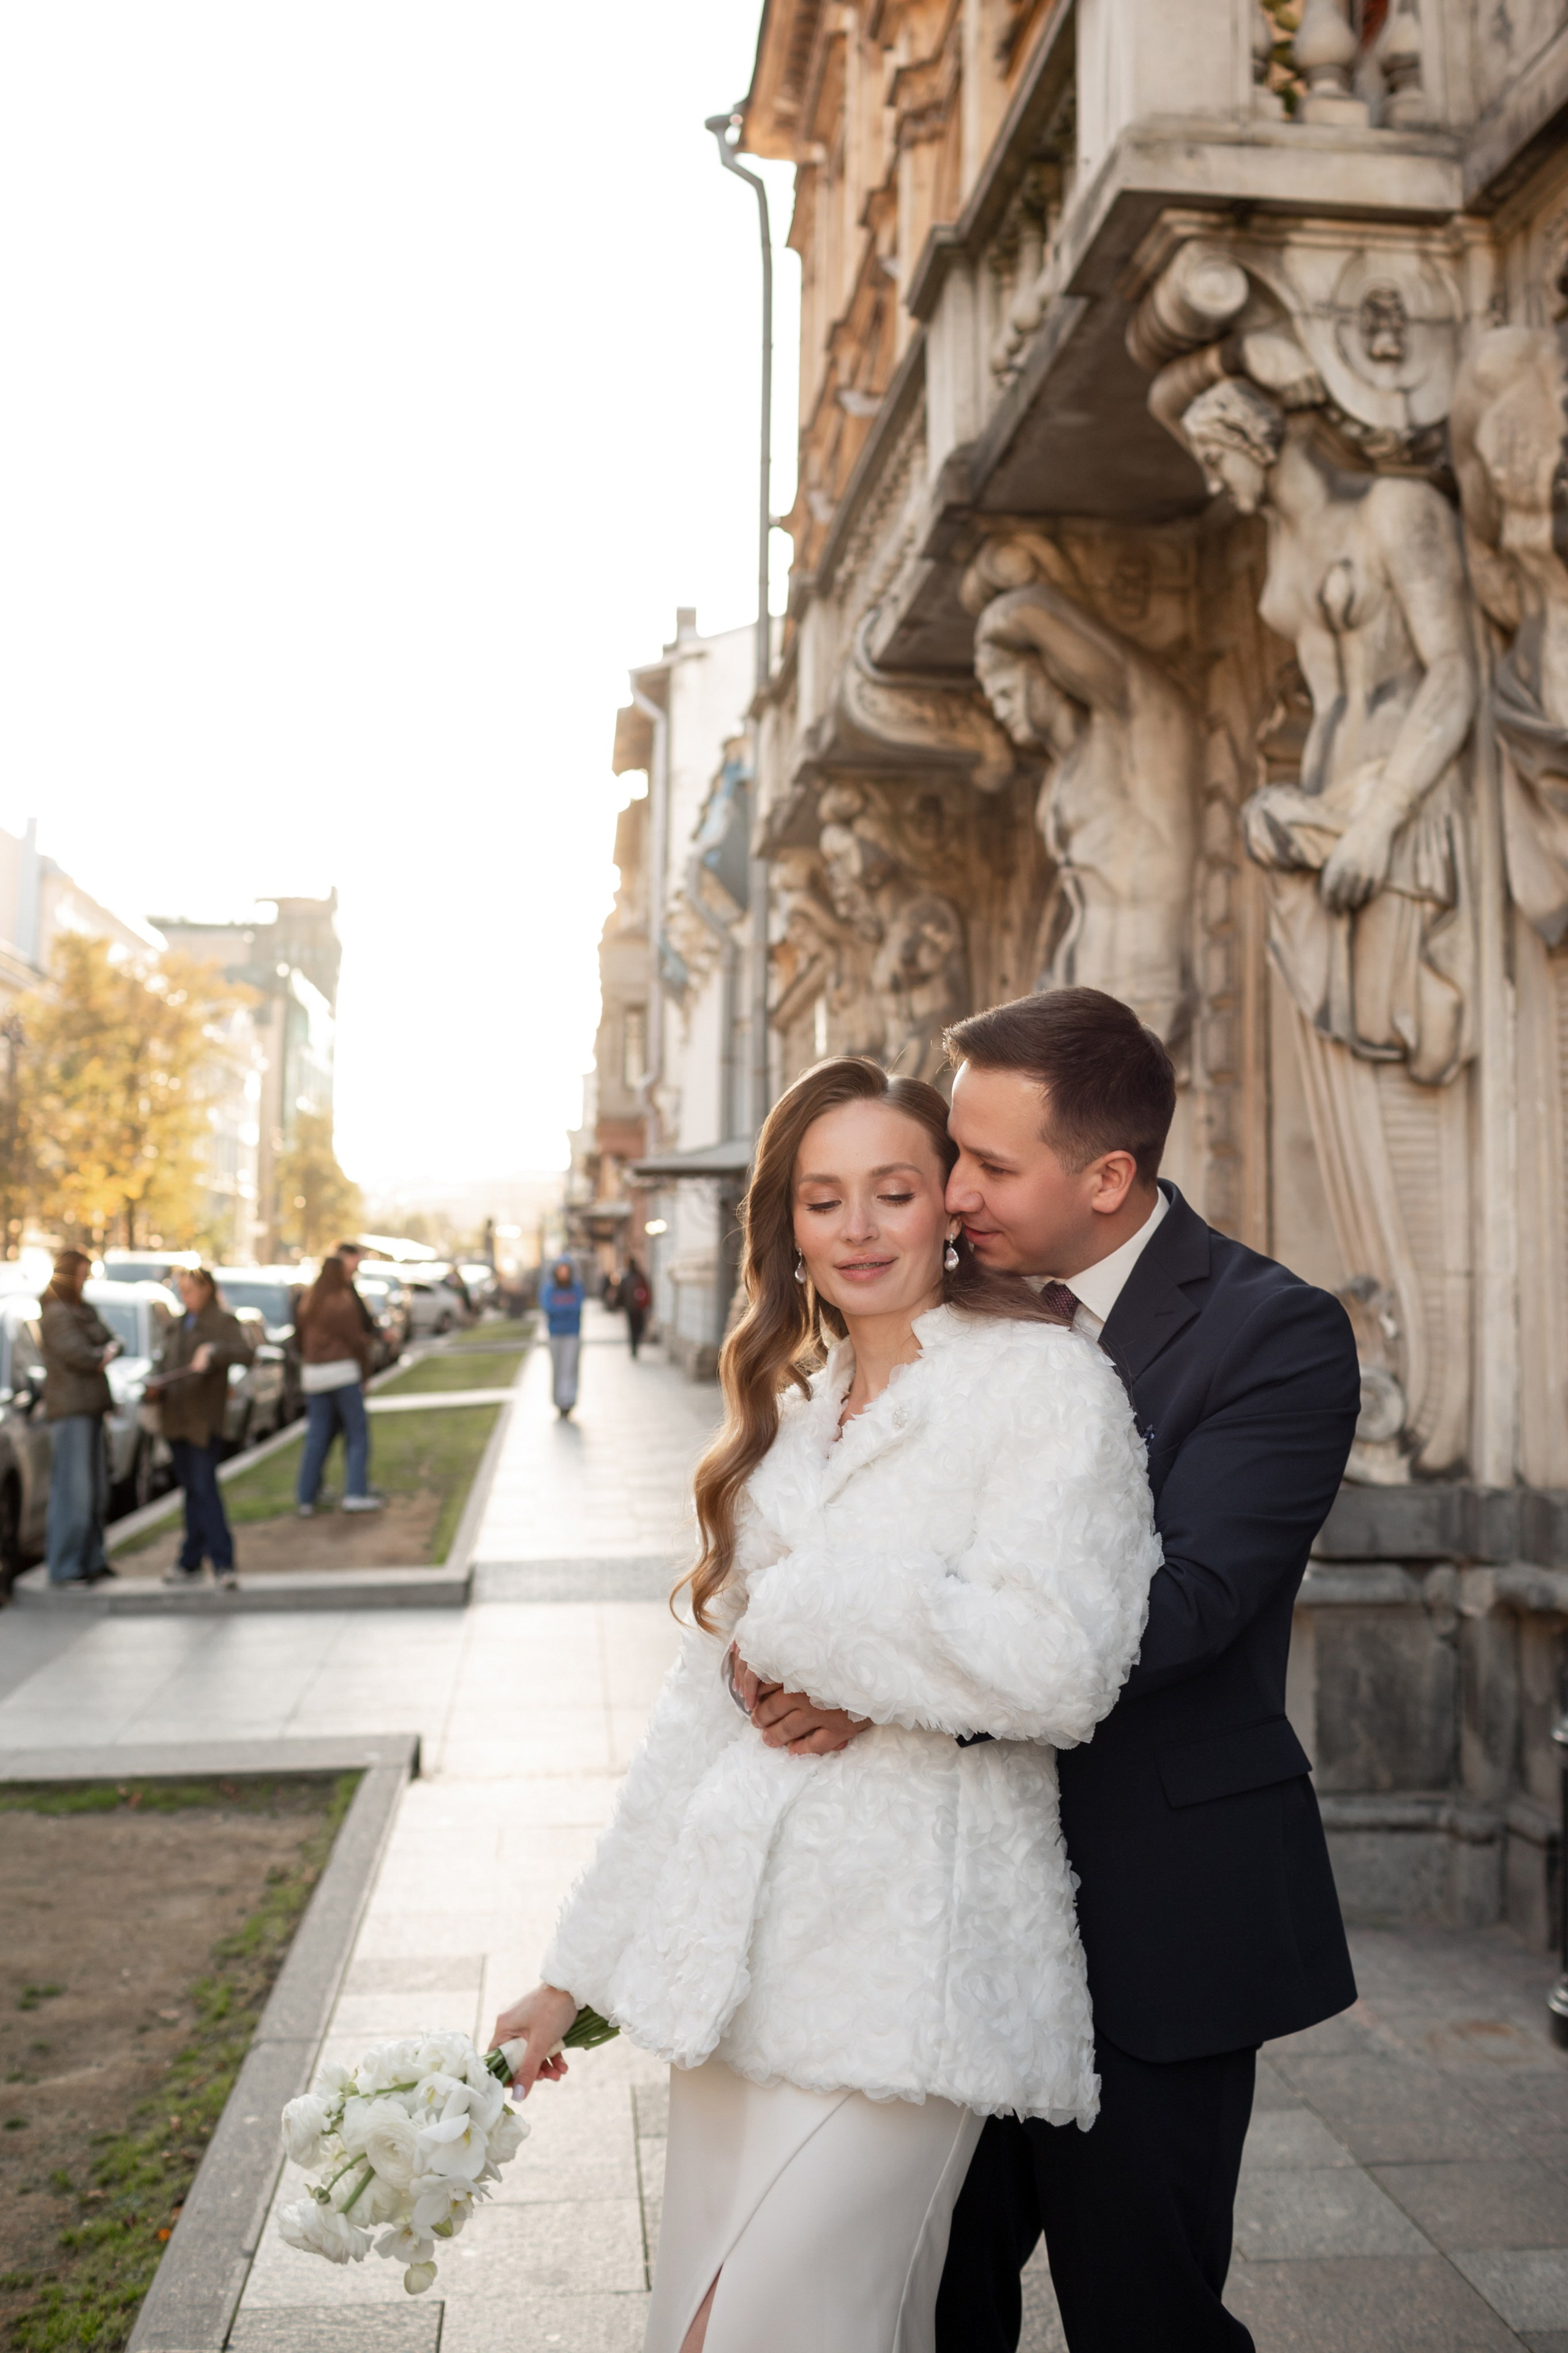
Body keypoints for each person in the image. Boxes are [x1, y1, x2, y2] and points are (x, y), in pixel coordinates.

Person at [491, 1056, 1161, 2353]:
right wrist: (566, 1976)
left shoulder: (1043, 1386)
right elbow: (696, 1729)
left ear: (944, 1208)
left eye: (891, 1192)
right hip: (741, 1975)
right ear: (785, 1226)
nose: (856, 1228)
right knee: (700, 2332)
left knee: (770, 2332)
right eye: (821, 1199)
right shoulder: (785, 1421)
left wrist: (819, 1631)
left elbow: (1064, 1661)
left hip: (911, 1976)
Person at [744, 989, 1362, 2353]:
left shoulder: (1274, 1334)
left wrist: (874, 1675)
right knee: (930, 2304)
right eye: (950, 1154)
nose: (949, 1192)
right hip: (943, 1910)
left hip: (1158, 1909)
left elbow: (1186, 1605)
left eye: (987, 1166)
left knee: (1139, 2313)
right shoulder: (933, 1302)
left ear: (1106, 1178)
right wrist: (772, 1650)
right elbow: (829, 1518)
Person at [147, 1267, 254, 1592]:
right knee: (192, 1491)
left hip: (203, 1421)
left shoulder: (222, 1322)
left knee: (205, 1489)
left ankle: (223, 1562)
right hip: (175, 1418)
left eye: (190, 1289)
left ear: (206, 1288)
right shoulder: (178, 1324)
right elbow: (165, 1363)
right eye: (181, 1289)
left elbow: (247, 1354)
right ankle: (190, 1559)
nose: (185, 1295)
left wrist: (214, 1352)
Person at [39, 1249, 119, 1587]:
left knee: (97, 1491)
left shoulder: (83, 1308)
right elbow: (82, 1355)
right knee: (74, 1493)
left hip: (93, 1407)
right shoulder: (56, 1313)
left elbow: (111, 1340)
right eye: (82, 1274)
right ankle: (65, 1567)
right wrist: (102, 1352)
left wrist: (105, 1350)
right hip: (70, 1412)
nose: (86, 1280)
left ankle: (91, 1560)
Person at [295, 1254, 380, 1516]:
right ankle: (355, 1493)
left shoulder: (308, 1301)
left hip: (315, 1375)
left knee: (317, 1438)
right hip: (343, 1373)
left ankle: (306, 1497)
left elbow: (298, 1339)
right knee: (357, 1434)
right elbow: (356, 1342)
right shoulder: (342, 1301)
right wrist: (365, 1375)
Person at [540, 1259, 585, 1417]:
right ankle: (558, 1400)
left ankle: (569, 1400)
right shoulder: (549, 1289)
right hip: (555, 1335)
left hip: (572, 1334)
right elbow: (549, 1308)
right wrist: (565, 1308)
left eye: (566, 1270)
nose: (563, 1273)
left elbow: (576, 1308)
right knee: (558, 1368)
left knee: (570, 1367)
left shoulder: (576, 1288)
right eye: (561, 1270)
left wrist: (561, 1307)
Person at [621, 1255, 652, 1359]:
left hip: (633, 1308)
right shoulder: (639, 1277)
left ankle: (634, 1345)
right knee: (638, 1328)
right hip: (637, 1308)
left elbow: (621, 1293)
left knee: (634, 1328)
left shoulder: (628, 1277)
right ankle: (635, 1345)